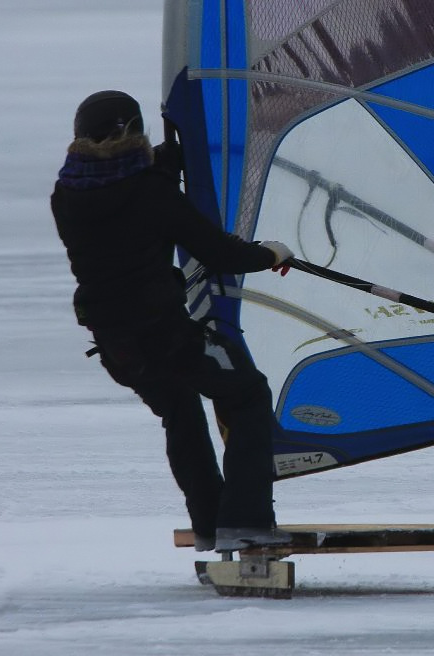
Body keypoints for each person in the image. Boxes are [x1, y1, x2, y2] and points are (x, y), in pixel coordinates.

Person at [51, 90, 292, 552]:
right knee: (247, 396)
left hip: (116, 345)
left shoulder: (67, 195)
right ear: (132, 132)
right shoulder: (150, 193)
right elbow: (219, 252)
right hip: (166, 337)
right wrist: (271, 254)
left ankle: (209, 524)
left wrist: (161, 168)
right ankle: (244, 521)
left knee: (180, 412)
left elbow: (118, 205)